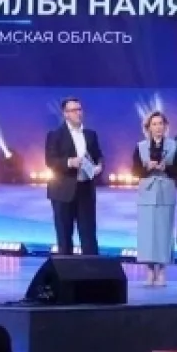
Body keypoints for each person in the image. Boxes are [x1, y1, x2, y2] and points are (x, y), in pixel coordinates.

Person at [44, 98, 103, 255]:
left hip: (85, 190)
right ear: (65, 114)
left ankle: (91, 268)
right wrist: (70, 162)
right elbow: (50, 161)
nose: (78, 113)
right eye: (74, 110)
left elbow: (98, 156)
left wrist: (99, 167)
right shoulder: (55, 135)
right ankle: (65, 268)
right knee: (64, 236)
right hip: (63, 191)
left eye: (79, 109)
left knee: (88, 235)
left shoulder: (90, 135)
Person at [132, 110, 177, 286]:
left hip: (165, 191)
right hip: (147, 193)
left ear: (165, 126)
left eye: (161, 123)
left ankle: (162, 270)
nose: (158, 127)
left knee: (163, 232)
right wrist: (148, 167)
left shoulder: (174, 146)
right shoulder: (140, 147)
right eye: (154, 124)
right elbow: (135, 171)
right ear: (148, 128)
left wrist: (165, 167)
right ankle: (150, 270)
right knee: (147, 233)